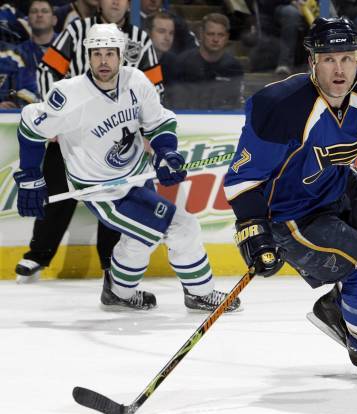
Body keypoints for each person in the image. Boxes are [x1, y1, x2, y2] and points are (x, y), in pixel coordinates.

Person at [223, 17, 357, 378]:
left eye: (347, 58)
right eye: (329, 60)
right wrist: (252, 227)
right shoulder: (281, 106)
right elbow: (245, 177)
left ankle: (336, 310)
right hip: (290, 212)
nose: (339, 70)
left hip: (339, 185)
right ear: (312, 62)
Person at [13, 23, 241, 313]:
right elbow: (31, 127)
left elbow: (158, 123)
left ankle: (118, 293)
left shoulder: (137, 81)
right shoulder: (69, 95)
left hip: (136, 176)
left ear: (121, 55)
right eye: (97, 54)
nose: (104, 61)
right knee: (182, 225)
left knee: (139, 237)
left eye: (110, 53)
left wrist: (166, 153)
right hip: (103, 191)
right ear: (88, 56)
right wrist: (31, 177)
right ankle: (200, 292)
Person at [15, 0, 163, 283]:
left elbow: (154, 86)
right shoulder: (77, 31)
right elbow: (49, 71)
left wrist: (148, 129)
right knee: (58, 193)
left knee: (116, 194)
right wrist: (54, 118)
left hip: (117, 135)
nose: (116, 2)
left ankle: (110, 263)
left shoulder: (140, 39)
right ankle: (38, 254)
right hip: (74, 132)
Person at [170, 13, 243, 109]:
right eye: (210, 34)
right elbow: (174, 103)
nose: (215, 39)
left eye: (220, 35)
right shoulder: (182, 63)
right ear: (201, 34)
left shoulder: (233, 67)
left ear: (227, 37)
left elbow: (235, 105)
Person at [19, 0, 57, 100]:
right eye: (34, 11)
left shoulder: (69, 49)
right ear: (27, 20)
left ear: (54, 20)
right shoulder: (17, 54)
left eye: (44, 11)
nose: (39, 15)